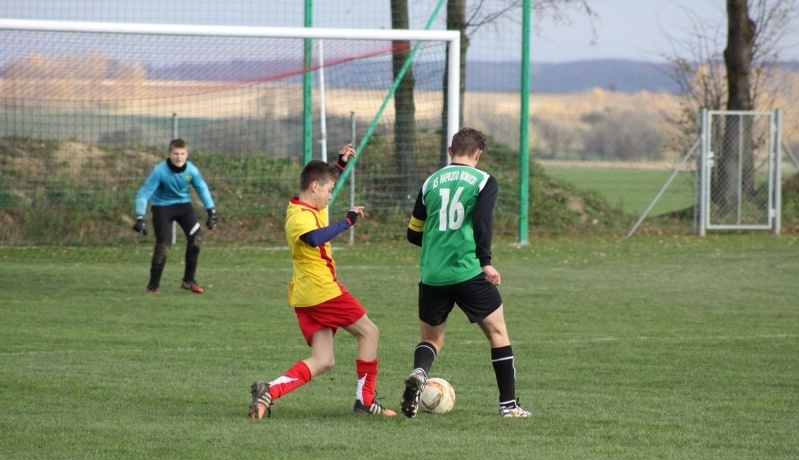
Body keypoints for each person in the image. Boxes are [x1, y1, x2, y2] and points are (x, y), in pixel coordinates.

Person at [249, 144, 396, 420]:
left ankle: (268, 392)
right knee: (369, 332)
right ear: (314, 187)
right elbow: (315, 238)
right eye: (328, 191)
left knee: (324, 360)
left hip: (307, 294)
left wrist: (339, 166)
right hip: (322, 292)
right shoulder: (299, 217)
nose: (331, 196)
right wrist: (348, 220)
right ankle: (365, 402)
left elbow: (327, 188)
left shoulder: (312, 206)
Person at [400, 127, 531, 418]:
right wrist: (485, 260)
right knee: (498, 332)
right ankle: (509, 406)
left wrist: (437, 241)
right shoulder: (484, 181)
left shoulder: (430, 182)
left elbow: (413, 232)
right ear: (478, 154)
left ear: (450, 151)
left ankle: (420, 373)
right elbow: (483, 220)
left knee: (431, 339)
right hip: (467, 271)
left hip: (432, 275)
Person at [132, 138, 217, 295]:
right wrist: (140, 217)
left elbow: (202, 188)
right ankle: (153, 287)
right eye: (176, 154)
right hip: (162, 208)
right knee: (163, 246)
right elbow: (143, 194)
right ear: (169, 154)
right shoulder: (159, 171)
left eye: (182, 154)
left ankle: (188, 281)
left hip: (184, 206)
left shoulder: (191, 170)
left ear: (187, 154)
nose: (179, 157)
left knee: (197, 239)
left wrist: (211, 211)